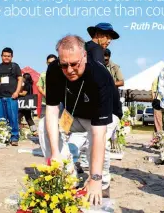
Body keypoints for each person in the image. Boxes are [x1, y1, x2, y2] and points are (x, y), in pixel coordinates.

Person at [40, 35, 122, 205]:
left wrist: (95, 178)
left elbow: (99, 132)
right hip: (74, 115)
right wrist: (55, 153)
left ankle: (102, 182)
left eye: (74, 64)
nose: (69, 70)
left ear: (84, 56)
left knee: (97, 138)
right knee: (43, 126)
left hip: (104, 116)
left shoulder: (100, 76)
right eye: (64, 65)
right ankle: (66, 176)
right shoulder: (54, 70)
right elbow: (52, 110)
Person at [0, 47, 23, 146]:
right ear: (1, 56)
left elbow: (20, 79)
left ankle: (14, 137)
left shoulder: (15, 66)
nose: (6, 58)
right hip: (0, 97)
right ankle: (3, 136)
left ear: (12, 57)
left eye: (8, 56)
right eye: (4, 56)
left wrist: (17, 92)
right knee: (1, 118)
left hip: (12, 97)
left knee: (13, 118)